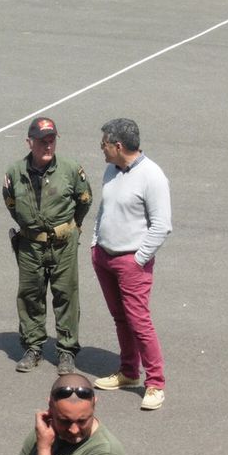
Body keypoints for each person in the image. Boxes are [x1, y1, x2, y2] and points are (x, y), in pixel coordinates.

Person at [91, 118, 172, 411]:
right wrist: (95, 243)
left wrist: (138, 260)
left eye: (104, 145)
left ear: (118, 145)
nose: (101, 150)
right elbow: (104, 209)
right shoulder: (111, 170)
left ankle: (155, 383)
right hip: (104, 257)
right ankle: (128, 372)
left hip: (131, 262)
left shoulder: (152, 176)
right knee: (120, 318)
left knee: (139, 322)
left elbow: (162, 226)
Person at [3, 117, 92, 375]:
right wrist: (31, 228)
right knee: (30, 295)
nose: (48, 146)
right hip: (30, 246)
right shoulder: (14, 174)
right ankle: (33, 347)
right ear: (29, 142)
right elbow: (11, 204)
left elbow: (84, 200)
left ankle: (66, 351)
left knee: (66, 295)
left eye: (52, 141)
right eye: (43, 141)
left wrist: (70, 228)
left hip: (63, 244)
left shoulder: (71, 170)